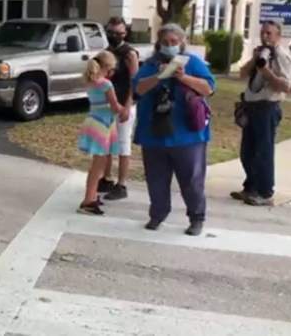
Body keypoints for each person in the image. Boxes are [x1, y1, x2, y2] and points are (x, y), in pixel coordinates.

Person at [133, 24, 215, 235]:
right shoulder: (151, 64)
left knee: (191, 180)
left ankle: (196, 217)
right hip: (154, 133)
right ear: (158, 43)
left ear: (181, 42)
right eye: (165, 42)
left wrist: (182, 77)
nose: (170, 46)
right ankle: (158, 214)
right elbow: (137, 89)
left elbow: (208, 88)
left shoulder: (192, 62)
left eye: (174, 42)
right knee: (156, 179)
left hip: (187, 134)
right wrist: (158, 77)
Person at [231, 20, 291, 207]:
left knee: (263, 152)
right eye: (263, 33)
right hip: (251, 108)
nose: (265, 36)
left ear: (278, 36)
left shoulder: (281, 56)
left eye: (269, 33)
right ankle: (251, 187)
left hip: (267, 107)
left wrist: (266, 71)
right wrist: (255, 60)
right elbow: (242, 75)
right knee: (247, 152)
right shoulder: (260, 53)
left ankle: (265, 192)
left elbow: (285, 86)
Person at [77, 51, 124, 216]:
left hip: (94, 121)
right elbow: (114, 106)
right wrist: (125, 109)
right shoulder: (106, 84)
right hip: (102, 125)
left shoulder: (91, 82)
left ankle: (92, 195)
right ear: (107, 67)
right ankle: (88, 200)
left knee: (98, 164)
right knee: (98, 165)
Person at [100, 16, 139, 201]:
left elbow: (135, 81)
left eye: (118, 33)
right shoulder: (106, 52)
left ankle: (122, 184)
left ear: (125, 33)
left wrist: (128, 105)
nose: (114, 36)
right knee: (106, 143)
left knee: (123, 145)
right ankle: (106, 177)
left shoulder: (129, 53)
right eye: (111, 32)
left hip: (124, 103)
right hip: (108, 103)